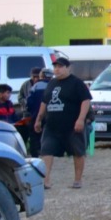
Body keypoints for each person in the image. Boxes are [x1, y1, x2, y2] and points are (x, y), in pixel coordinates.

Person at [34, 57, 92, 189]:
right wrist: (38, 119)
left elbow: (86, 101)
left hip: (72, 125)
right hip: (52, 125)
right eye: (55, 67)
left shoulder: (77, 83)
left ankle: (77, 180)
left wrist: (81, 119)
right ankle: (46, 180)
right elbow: (45, 102)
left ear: (68, 68)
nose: (57, 69)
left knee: (78, 152)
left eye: (60, 67)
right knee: (46, 151)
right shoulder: (51, 83)